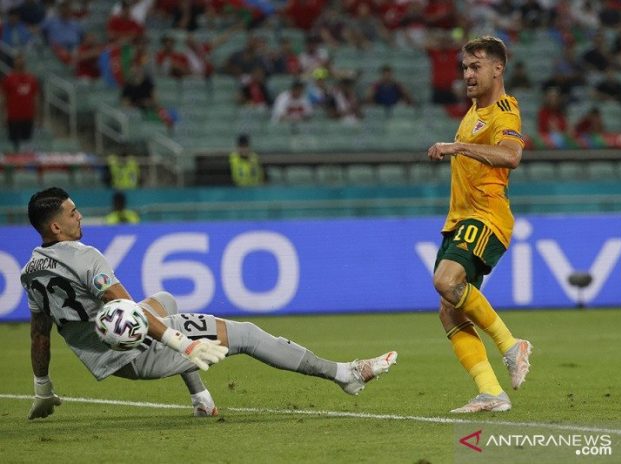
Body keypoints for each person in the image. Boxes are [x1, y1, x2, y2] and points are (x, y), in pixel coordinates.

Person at [21, 187, 397, 420]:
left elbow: (40, 335)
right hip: (137, 351)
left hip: (104, 359)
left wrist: (42, 389)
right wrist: (183, 343)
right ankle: (345, 374)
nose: (79, 215)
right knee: (246, 334)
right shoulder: (86, 258)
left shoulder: (31, 271)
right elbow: (131, 313)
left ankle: (201, 399)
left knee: (165, 299)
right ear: (56, 227)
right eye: (72, 212)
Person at [426, 36, 532, 414]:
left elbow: (512, 156)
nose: (467, 74)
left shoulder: (504, 111)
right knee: (449, 309)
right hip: (459, 220)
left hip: (486, 215)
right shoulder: (474, 110)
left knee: (445, 281)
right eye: (465, 67)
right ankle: (491, 392)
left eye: (476, 67)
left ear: (498, 69)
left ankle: (510, 345)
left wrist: (458, 147)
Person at [1, 53, 40, 152]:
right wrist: (3, 115)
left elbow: (36, 98)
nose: (20, 62)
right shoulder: (9, 79)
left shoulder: (32, 79)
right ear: (14, 62)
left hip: (28, 116)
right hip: (13, 117)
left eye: (21, 60)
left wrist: (38, 116)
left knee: (27, 145)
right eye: (18, 60)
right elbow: (3, 98)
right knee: (14, 145)